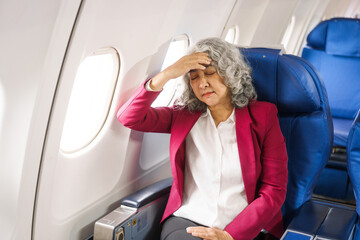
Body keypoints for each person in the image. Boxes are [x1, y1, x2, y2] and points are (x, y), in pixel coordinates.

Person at [117, 38, 288, 240]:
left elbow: (274, 190)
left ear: (230, 74)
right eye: (194, 77)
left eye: (210, 73)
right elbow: (129, 117)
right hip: (189, 220)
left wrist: (230, 235)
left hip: (246, 226)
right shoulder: (183, 116)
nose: (202, 83)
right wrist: (167, 74)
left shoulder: (263, 116)